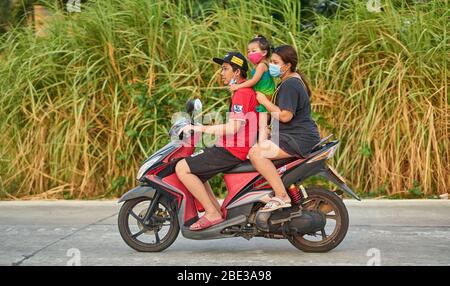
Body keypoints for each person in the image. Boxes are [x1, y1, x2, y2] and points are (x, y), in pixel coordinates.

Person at [175, 52, 258, 230]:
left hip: (234, 150)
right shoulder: (242, 91)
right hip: (231, 146)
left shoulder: (242, 93)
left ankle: (212, 213)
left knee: (182, 167)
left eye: (225, 69)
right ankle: (215, 211)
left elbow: (233, 128)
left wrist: (199, 128)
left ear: (237, 72)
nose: (221, 72)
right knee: (196, 170)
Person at [248, 45, 321, 212]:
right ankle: (270, 192)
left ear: (287, 65)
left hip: (298, 138)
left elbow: (286, 116)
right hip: (294, 135)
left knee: (256, 153)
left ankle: (281, 196)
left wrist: (264, 101)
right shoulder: (290, 81)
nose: (271, 65)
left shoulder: (290, 84)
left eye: (275, 62)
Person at [230, 35, 275, 143]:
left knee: (262, 125)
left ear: (264, 53)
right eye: (249, 51)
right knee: (262, 124)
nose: (250, 54)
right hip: (261, 96)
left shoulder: (262, 66)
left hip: (265, 97)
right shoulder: (259, 65)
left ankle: (262, 148)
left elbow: (254, 81)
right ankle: (264, 142)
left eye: (254, 51)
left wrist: (238, 86)